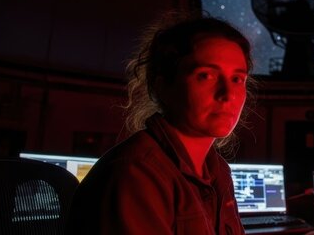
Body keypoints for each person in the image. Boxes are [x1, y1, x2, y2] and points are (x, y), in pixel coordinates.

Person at [67, 12, 253, 234]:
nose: (228, 94)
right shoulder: (136, 173)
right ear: (161, 85)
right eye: (206, 76)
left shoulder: (218, 171)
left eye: (237, 79)